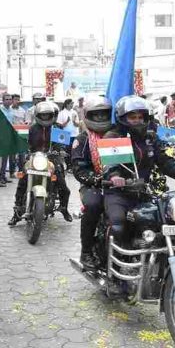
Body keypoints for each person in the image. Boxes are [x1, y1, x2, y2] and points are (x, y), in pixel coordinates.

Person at [102, 96, 175, 247]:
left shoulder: (151, 137)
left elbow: (164, 160)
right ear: (123, 118)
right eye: (132, 117)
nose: (137, 120)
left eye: (140, 117)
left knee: (166, 220)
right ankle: (111, 261)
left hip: (144, 192)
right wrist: (115, 177)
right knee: (118, 224)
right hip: (119, 193)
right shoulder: (114, 136)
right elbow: (111, 164)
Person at [10, 101, 72, 225]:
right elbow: (26, 143)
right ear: (38, 115)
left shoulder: (57, 128)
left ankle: (64, 208)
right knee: (23, 180)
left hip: (52, 158)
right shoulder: (33, 128)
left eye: (47, 115)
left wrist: (60, 151)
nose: (45, 117)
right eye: (42, 115)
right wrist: (24, 149)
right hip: (35, 157)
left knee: (62, 184)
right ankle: (17, 211)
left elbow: (62, 144)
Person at [71, 96, 114, 269]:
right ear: (88, 116)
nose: (100, 119)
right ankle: (86, 251)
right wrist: (97, 179)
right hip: (93, 185)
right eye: (96, 115)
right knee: (93, 205)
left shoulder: (118, 136)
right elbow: (79, 169)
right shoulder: (83, 139)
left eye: (104, 115)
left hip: (119, 184)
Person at [0, 94, 14, 184]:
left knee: (6, 158)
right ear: (3, 100)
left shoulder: (11, 111)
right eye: (6, 99)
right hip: (1, 136)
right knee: (1, 158)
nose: (8, 101)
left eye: (10, 99)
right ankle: (0, 177)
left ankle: (3, 176)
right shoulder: (0, 110)